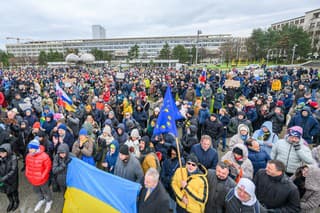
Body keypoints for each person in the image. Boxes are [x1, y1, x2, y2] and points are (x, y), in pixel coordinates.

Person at [25, 138, 53, 213]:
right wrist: (27, 174)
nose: (30, 150)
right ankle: (41, 199)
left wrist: (42, 176)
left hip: (42, 180)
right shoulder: (28, 156)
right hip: (33, 179)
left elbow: (48, 167)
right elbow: (27, 166)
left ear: (36, 148)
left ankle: (49, 201)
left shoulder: (45, 156)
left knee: (46, 191)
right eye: (29, 148)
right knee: (37, 191)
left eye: (31, 148)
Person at [0, 143, 19, 212]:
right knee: (7, 192)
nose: (0, 154)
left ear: (7, 151)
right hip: (3, 179)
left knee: (14, 191)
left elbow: (13, 171)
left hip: (11, 180)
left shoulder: (13, 158)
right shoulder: (1, 158)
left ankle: (16, 202)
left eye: (2, 153)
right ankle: (11, 202)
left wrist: (3, 178)